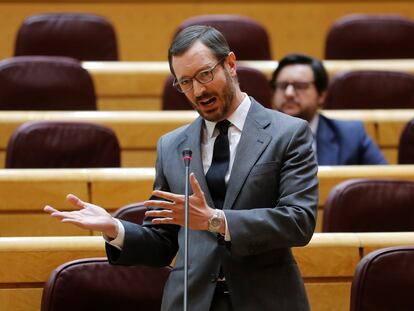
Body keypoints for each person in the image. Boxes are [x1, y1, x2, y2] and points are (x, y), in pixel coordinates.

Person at [44, 26, 318, 311]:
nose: (198, 91)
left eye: (204, 74)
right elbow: (163, 242)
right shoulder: (171, 145)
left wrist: (216, 220)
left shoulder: (288, 133)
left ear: (231, 65)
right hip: (191, 301)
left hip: (267, 300)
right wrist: (115, 228)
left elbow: (298, 221)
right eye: (185, 82)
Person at [270, 53, 388, 165]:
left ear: (321, 95)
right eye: (282, 86)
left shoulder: (351, 135)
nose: (289, 93)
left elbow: (383, 181)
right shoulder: (254, 134)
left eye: (300, 86)